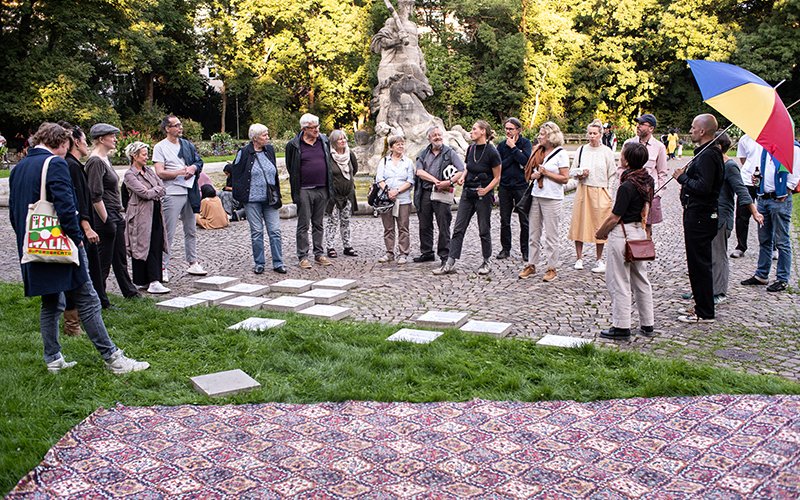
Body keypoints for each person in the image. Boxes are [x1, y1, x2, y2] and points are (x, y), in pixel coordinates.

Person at [9, 122, 149, 374]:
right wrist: (77, 238)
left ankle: (53, 358)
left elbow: (13, 210)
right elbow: (66, 206)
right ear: (62, 143)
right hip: (60, 245)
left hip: (33, 244)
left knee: (51, 302)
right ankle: (112, 357)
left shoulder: (20, 167)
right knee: (88, 298)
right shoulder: (56, 163)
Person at [595, 142, 655, 339]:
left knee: (619, 280)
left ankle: (621, 326)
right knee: (641, 279)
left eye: (622, 154)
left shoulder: (627, 185)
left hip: (623, 234)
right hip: (639, 233)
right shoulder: (647, 180)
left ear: (627, 160)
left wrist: (601, 232)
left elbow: (615, 216)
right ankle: (648, 323)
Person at [58, 122, 110, 336]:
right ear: (77, 142)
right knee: (79, 276)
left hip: (82, 227)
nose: (86, 144)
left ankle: (79, 318)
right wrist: (87, 227)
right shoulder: (71, 166)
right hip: (79, 230)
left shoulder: (75, 165)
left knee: (86, 274)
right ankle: (73, 323)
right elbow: (77, 201)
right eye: (85, 141)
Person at [673, 113, 724, 323]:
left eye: (693, 128)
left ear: (702, 131)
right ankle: (701, 306)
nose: (691, 130)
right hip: (697, 213)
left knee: (700, 264)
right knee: (696, 263)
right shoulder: (704, 153)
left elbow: (703, 188)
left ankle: (705, 311)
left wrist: (682, 178)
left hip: (701, 216)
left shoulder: (709, 155)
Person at [434, 120, 501, 275]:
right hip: (467, 193)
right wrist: (463, 177)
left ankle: (486, 260)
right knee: (458, 228)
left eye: (474, 129)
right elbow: (467, 168)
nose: (471, 132)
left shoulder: (492, 151)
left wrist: (486, 190)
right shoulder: (470, 148)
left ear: (483, 131)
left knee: (484, 229)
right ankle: (450, 262)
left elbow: (497, 177)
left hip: (482, 195)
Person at [85, 123, 140, 301]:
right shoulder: (95, 161)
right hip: (105, 216)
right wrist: (107, 220)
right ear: (101, 139)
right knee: (103, 261)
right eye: (112, 136)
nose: (116, 139)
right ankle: (99, 298)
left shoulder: (104, 159)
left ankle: (129, 292)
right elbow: (95, 195)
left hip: (114, 214)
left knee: (119, 257)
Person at [740, 138, 800, 292]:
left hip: (780, 199)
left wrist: (786, 189)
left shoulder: (792, 148)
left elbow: (795, 173)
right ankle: (762, 274)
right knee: (765, 239)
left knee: (782, 241)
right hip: (763, 197)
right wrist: (757, 180)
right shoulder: (767, 147)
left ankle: (782, 278)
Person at [153, 114, 207, 281]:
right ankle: (163, 267)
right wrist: (180, 172)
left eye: (180, 125)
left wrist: (192, 168)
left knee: (190, 229)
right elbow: (160, 172)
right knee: (168, 232)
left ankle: (193, 262)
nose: (180, 128)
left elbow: (199, 162)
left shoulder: (187, 145)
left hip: (190, 192)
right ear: (167, 128)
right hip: (172, 193)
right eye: (176, 125)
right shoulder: (160, 147)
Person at [710, 132, 763, 303]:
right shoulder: (710, 164)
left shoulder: (730, 166)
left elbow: (742, 190)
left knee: (719, 255)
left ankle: (719, 291)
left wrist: (754, 212)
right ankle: (704, 287)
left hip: (722, 216)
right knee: (706, 254)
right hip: (706, 214)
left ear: (718, 147)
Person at [230, 123, 285, 274]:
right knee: (257, 232)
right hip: (252, 199)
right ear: (255, 138)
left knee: (275, 231)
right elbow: (236, 174)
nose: (267, 137)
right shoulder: (244, 152)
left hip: (270, 199)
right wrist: (240, 195)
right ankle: (259, 263)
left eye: (267, 134)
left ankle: (278, 262)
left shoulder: (270, 151)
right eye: (264, 135)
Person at [519, 121, 570, 282]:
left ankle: (551, 267)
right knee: (533, 233)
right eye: (540, 134)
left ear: (551, 136)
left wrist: (546, 173)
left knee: (551, 235)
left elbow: (565, 178)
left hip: (552, 197)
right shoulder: (538, 151)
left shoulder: (561, 154)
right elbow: (532, 171)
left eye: (542, 134)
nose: (539, 137)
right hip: (536, 194)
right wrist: (534, 175)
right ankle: (531, 264)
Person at [285, 113, 334, 269]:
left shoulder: (324, 141)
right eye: (312, 128)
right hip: (304, 189)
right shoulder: (294, 145)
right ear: (304, 128)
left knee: (318, 223)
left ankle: (319, 254)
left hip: (322, 188)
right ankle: (303, 256)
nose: (316, 130)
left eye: (317, 127)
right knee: (303, 224)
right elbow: (290, 167)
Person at [567, 119, 616, 274]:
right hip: (583, 189)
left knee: (600, 225)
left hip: (600, 190)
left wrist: (609, 192)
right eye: (590, 133)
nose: (592, 136)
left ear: (600, 134)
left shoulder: (607, 152)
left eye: (595, 133)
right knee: (579, 223)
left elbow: (612, 174)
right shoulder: (582, 150)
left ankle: (599, 259)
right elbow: (572, 171)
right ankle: (579, 258)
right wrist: (580, 173)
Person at [122, 141, 170, 294]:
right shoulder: (130, 175)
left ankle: (153, 279)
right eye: (143, 154)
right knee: (143, 245)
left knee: (156, 243)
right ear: (134, 156)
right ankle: (149, 280)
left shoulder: (148, 170)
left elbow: (162, 188)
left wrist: (154, 190)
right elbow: (145, 193)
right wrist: (155, 190)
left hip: (155, 212)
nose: (146, 157)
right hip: (140, 216)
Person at [413, 125, 465, 264]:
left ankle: (444, 255)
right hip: (425, 191)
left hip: (443, 192)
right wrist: (436, 180)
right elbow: (419, 171)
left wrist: (448, 182)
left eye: (439, 135)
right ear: (429, 138)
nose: (437, 137)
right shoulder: (423, 153)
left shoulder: (450, 152)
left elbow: (461, 169)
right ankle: (427, 252)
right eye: (434, 135)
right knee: (424, 224)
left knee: (443, 224)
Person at [623, 114, 668, 238]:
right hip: (630, 192)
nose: (638, 126)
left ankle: (645, 254)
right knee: (628, 224)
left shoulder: (659, 147)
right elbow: (621, 168)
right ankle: (630, 253)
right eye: (638, 123)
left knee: (647, 227)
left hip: (649, 193)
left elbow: (662, 172)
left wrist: (658, 193)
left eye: (642, 124)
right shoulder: (628, 143)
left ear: (651, 128)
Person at [495, 117, 532, 262]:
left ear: (518, 130)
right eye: (506, 128)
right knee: (505, 220)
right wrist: (515, 154)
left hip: (521, 186)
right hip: (505, 186)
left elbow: (526, 161)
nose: (508, 131)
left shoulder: (526, 143)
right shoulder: (501, 145)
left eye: (511, 129)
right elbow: (499, 165)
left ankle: (525, 250)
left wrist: (514, 149)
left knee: (525, 220)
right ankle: (505, 248)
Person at [375, 135, 415, 264]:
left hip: (403, 199)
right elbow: (379, 179)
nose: (401, 146)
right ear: (391, 147)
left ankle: (403, 253)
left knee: (403, 227)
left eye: (402, 144)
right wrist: (388, 191)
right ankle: (389, 252)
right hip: (386, 199)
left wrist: (397, 191)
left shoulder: (408, 162)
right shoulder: (384, 161)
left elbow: (410, 180)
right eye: (398, 144)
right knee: (388, 227)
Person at [325, 129, 359, 258]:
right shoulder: (328, 156)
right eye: (340, 139)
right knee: (332, 221)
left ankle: (347, 246)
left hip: (348, 194)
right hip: (333, 195)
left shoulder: (350, 154)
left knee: (346, 221)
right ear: (333, 142)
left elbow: (354, 170)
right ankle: (330, 247)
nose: (343, 141)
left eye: (344, 138)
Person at [731, 134, 763, 258]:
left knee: (767, 212)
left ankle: (772, 246)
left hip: (765, 181)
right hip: (747, 180)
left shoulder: (771, 137)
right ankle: (741, 246)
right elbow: (743, 159)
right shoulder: (745, 139)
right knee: (742, 215)